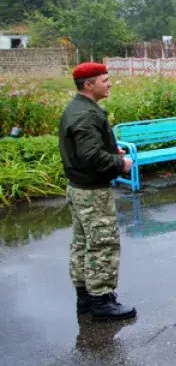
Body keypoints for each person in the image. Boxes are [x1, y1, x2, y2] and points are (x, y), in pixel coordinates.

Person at [59, 62, 136, 321]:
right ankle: (101, 301)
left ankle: (86, 298)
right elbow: (91, 156)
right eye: (105, 80)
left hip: (80, 188)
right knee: (102, 243)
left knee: (82, 243)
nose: (109, 84)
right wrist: (120, 163)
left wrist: (111, 152)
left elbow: (87, 151)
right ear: (89, 85)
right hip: (92, 192)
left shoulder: (79, 108)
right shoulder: (86, 114)